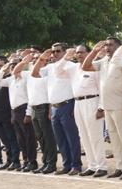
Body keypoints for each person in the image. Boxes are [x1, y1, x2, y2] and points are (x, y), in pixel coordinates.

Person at [84, 38, 122, 180]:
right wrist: (95, 51)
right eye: (106, 45)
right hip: (107, 106)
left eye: (111, 45)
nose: (107, 47)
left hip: (121, 105)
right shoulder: (103, 61)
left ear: (119, 47)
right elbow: (85, 66)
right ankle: (120, 166)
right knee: (114, 138)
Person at [32, 44, 83, 175]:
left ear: (65, 52)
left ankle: (76, 165)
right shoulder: (49, 67)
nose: (54, 54)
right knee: (60, 139)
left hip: (67, 104)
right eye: (53, 52)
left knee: (71, 137)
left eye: (57, 51)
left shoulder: (71, 65)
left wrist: (66, 58)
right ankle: (66, 164)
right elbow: (34, 73)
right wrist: (42, 58)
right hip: (54, 106)